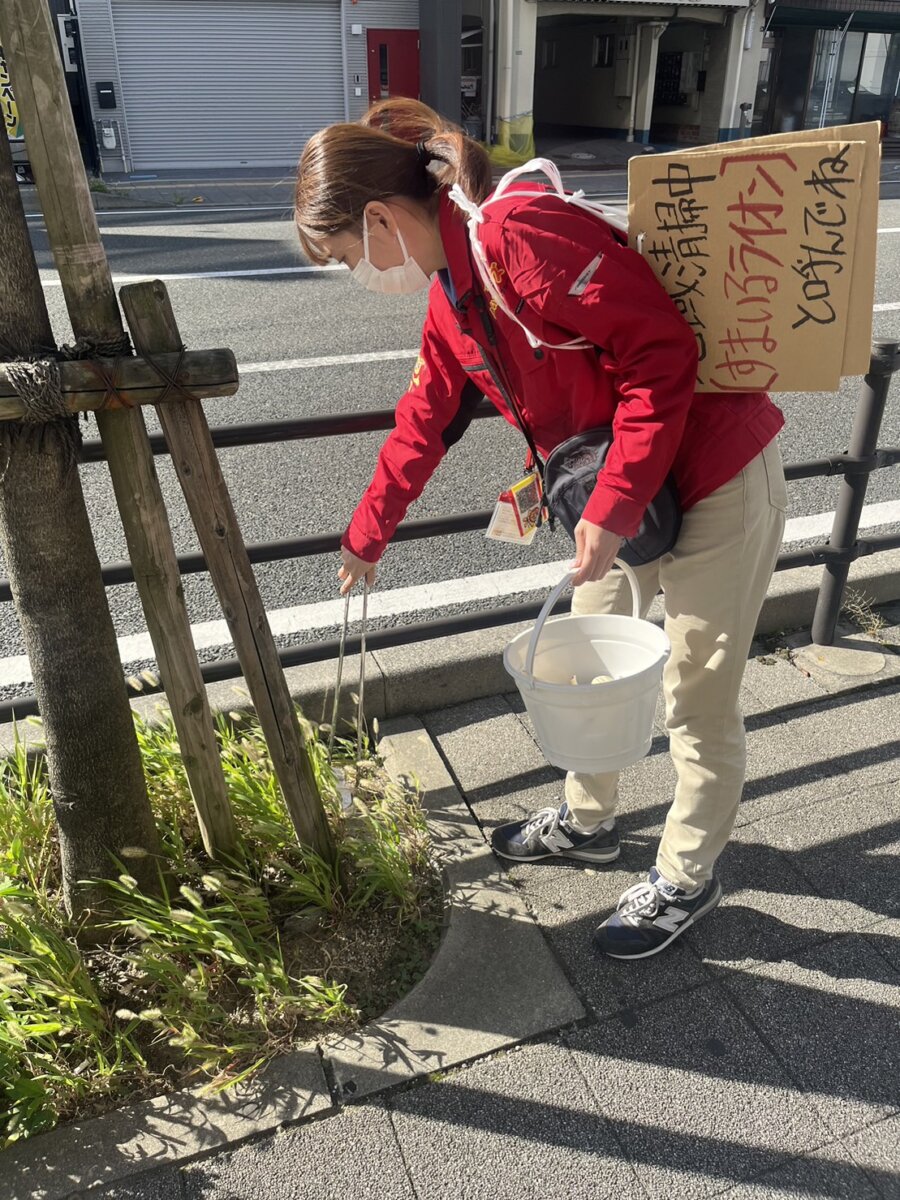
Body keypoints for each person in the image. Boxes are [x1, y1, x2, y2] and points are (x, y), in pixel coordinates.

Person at [294, 99, 787, 960]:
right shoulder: (452, 291)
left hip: (711, 473)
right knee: (593, 671)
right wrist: (367, 533)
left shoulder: (520, 235)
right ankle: (590, 819)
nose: (355, 272)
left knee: (696, 695)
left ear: (379, 218)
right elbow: (426, 416)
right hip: (619, 485)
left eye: (344, 256)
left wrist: (609, 507)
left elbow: (661, 354)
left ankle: (686, 873)